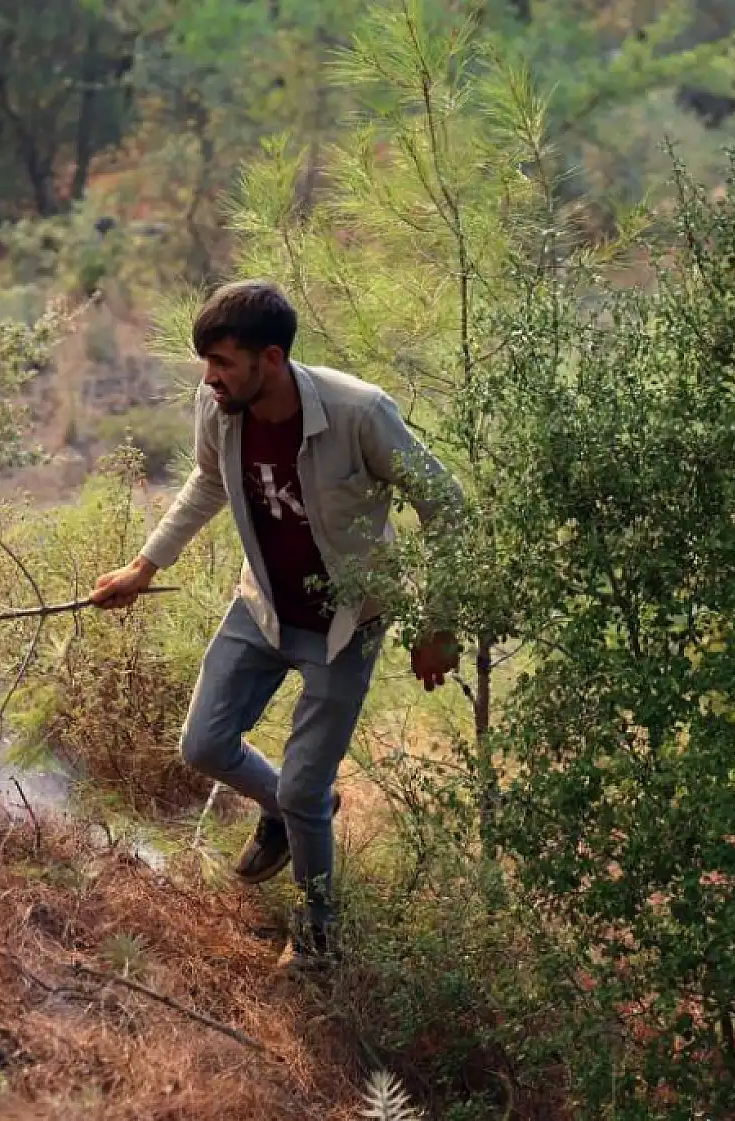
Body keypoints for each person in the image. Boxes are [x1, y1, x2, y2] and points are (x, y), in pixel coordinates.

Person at [89, 280, 462, 972]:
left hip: (348, 622)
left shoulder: (359, 411)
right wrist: (144, 566)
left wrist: (439, 622)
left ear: (272, 357)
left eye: (223, 362)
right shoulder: (220, 407)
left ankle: (319, 934)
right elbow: (207, 482)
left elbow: (446, 504)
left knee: (300, 785)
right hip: (261, 603)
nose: (210, 378)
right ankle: (296, 813)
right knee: (203, 744)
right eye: (207, 362)